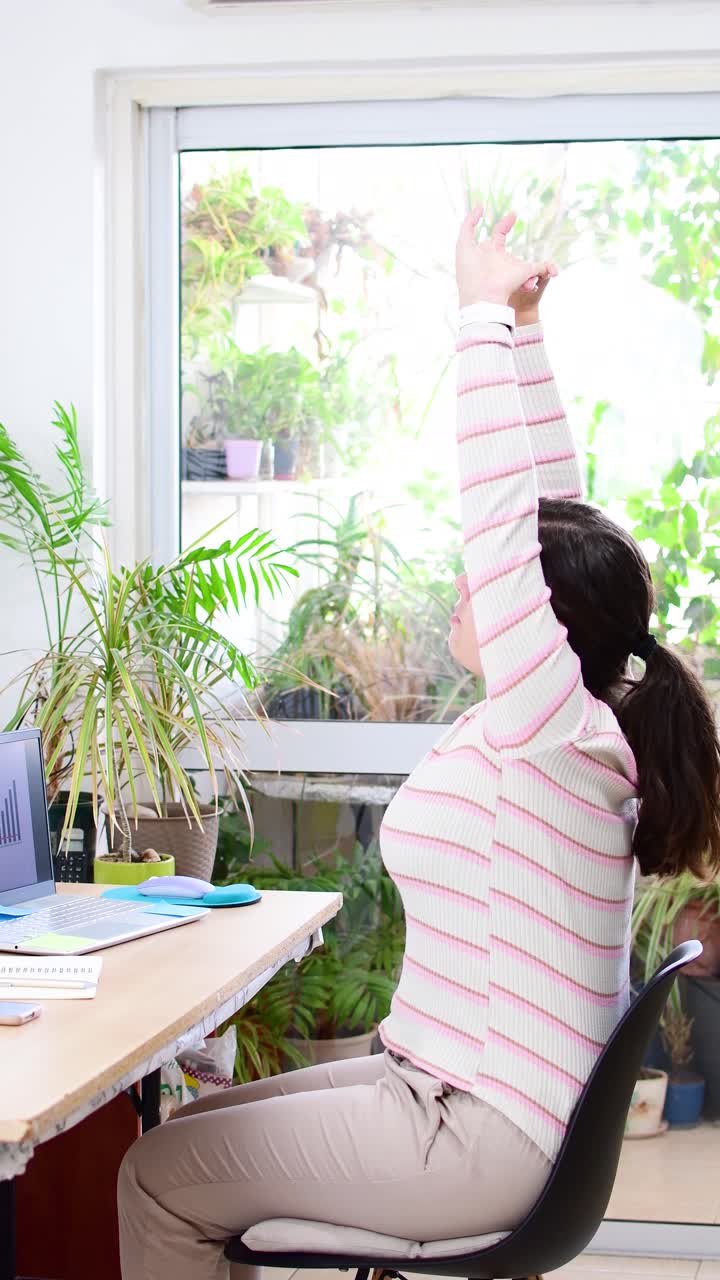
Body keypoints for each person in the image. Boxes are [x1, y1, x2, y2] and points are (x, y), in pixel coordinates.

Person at [118, 209, 720, 1280]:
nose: (470, 585)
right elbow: (544, 502)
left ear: (547, 619)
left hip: (474, 1131)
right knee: (179, 1141)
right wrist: (526, 334)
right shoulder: (570, 718)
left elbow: (500, 520)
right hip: (452, 1088)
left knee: (154, 1176)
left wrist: (477, 317)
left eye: (498, 584)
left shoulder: (550, 725)